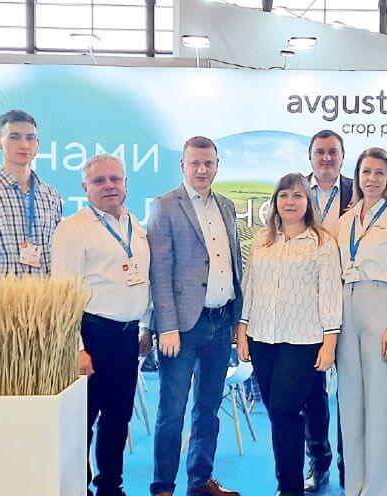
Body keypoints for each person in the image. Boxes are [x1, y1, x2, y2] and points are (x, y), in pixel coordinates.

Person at [235, 173, 342, 496]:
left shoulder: (322, 242)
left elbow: (330, 295)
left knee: (284, 410)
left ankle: (290, 487)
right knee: (279, 413)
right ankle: (299, 474)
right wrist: (242, 330)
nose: (290, 202)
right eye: (284, 195)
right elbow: (250, 287)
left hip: (304, 340)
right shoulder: (262, 240)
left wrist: (330, 343)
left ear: (308, 202)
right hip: (262, 338)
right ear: (275, 202)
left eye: (297, 196)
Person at [148, 136, 244, 496]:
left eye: (208, 163)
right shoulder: (164, 206)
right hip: (183, 327)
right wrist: (166, 327)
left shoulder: (226, 206)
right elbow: (159, 272)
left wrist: (237, 319)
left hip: (221, 322)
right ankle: (163, 487)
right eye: (195, 163)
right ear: (183, 165)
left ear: (217, 165)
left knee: (208, 409)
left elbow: (234, 263)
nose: (202, 170)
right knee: (172, 411)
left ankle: (200, 482)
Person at [53, 154, 153, 496]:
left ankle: (110, 486)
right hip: (92, 336)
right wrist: (77, 349)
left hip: (127, 338)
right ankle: (77, 487)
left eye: (115, 179)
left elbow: (142, 280)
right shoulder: (73, 229)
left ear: (126, 184)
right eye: (99, 181)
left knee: (118, 417)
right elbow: (62, 294)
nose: (109, 186)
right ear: (85, 187)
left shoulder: (134, 224)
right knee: (83, 420)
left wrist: (145, 327)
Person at [335, 147, 387, 496]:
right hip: (346, 303)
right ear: (357, 176)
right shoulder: (345, 220)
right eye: (366, 172)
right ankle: (354, 486)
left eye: (379, 172)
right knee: (350, 400)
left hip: (380, 302)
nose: (372, 179)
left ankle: (380, 489)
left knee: (381, 402)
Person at [302, 129, 351, 492]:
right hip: (306, 306)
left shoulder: (358, 190)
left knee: (350, 391)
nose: (326, 158)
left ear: (342, 156)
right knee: (311, 392)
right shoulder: (295, 191)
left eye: (333, 152)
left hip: (350, 300)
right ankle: (318, 463)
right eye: (320, 152)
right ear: (310, 156)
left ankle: (352, 466)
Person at [0, 110, 63, 276]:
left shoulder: (51, 196)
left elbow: (58, 256)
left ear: (37, 143)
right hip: (0, 292)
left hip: (47, 291)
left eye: (30, 138)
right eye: (14, 137)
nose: (24, 145)